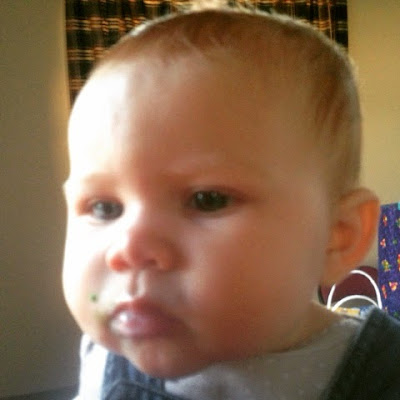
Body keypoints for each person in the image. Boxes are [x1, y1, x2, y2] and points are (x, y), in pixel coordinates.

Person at [62, 5, 400, 400]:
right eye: (104, 208)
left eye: (207, 200)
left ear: (337, 236)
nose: (130, 249)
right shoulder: (102, 360)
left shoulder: (384, 373)